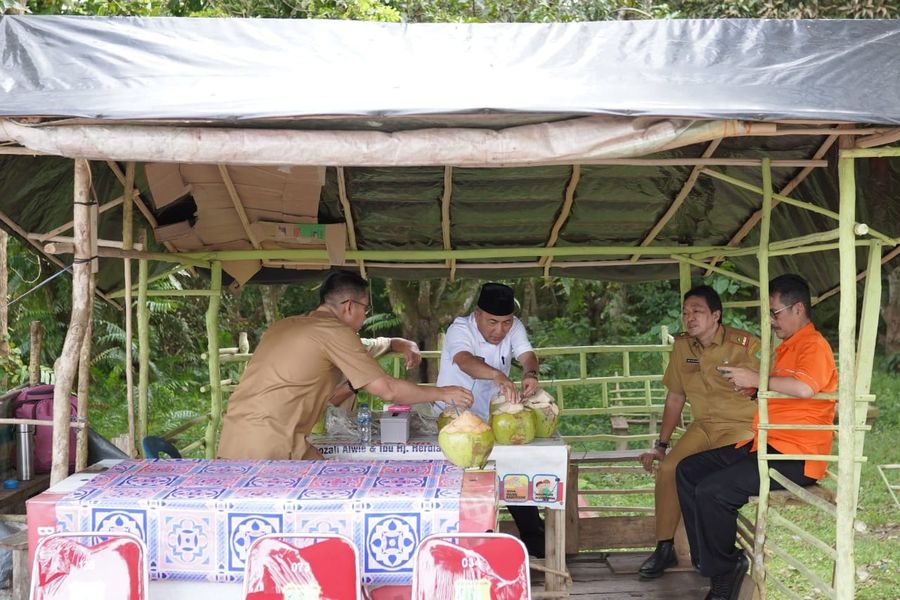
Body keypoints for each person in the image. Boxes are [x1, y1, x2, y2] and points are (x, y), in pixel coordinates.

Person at [676, 274, 837, 600]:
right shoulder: (788, 347)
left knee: (712, 491)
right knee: (687, 471)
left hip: (796, 455)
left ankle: (724, 572)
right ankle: (713, 561)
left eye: (776, 313)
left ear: (798, 309)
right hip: (766, 444)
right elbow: (782, 391)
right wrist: (754, 388)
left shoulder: (813, 345)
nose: (772, 321)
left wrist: (757, 377)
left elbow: (805, 389)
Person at [217, 270, 474, 460]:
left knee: (325, 478)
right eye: (365, 308)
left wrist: (398, 342)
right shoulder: (335, 333)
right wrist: (444, 392)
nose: (365, 316)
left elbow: (362, 347)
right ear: (349, 306)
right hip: (268, 444)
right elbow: (387, 390)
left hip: (235, 434)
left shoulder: (285, 326)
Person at [637, 285, 760, 579]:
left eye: (697, 311)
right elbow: (676, 397)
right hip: (702, 426)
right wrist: (661, 444)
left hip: (739, 427)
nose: (689, 317)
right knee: (668, 469)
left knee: (709, 481)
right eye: (685, 312)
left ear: (716, 315)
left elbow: (766, 387)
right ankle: (664, 548)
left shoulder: (744, 345)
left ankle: (713, 553)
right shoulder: (682, 347)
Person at [435, 282, 544, 557]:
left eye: (506, 323)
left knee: (513, 471)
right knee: (466, 483)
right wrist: (498, 375)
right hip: (456, 420)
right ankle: (470, 547)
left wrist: (530, 373)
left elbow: (527, 354)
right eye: (492, 322)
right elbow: (464, 360)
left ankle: (534, 539)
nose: (500, 330)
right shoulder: (460, 329)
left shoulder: (514, 326)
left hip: (494, 418)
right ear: (477, 315)